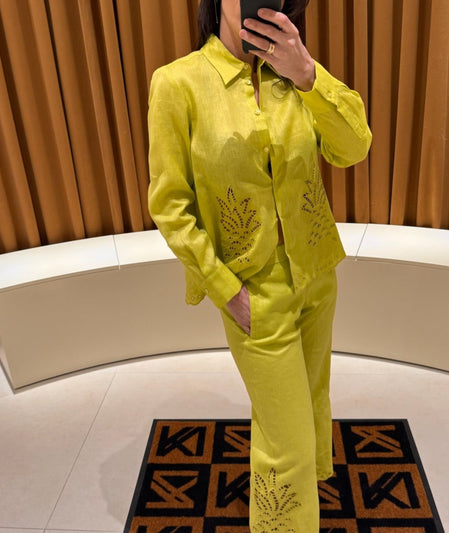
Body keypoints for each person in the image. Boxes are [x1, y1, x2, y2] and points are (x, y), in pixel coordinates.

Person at [147, 0, 371, 530]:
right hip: (253, 292)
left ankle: (303, 507)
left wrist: (308, 75)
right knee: (284, 442)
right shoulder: (178, 84)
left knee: (310, 406)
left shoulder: (292, 73)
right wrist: (225, 288)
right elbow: (170, 204)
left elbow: (354, 147)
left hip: (316, 274)